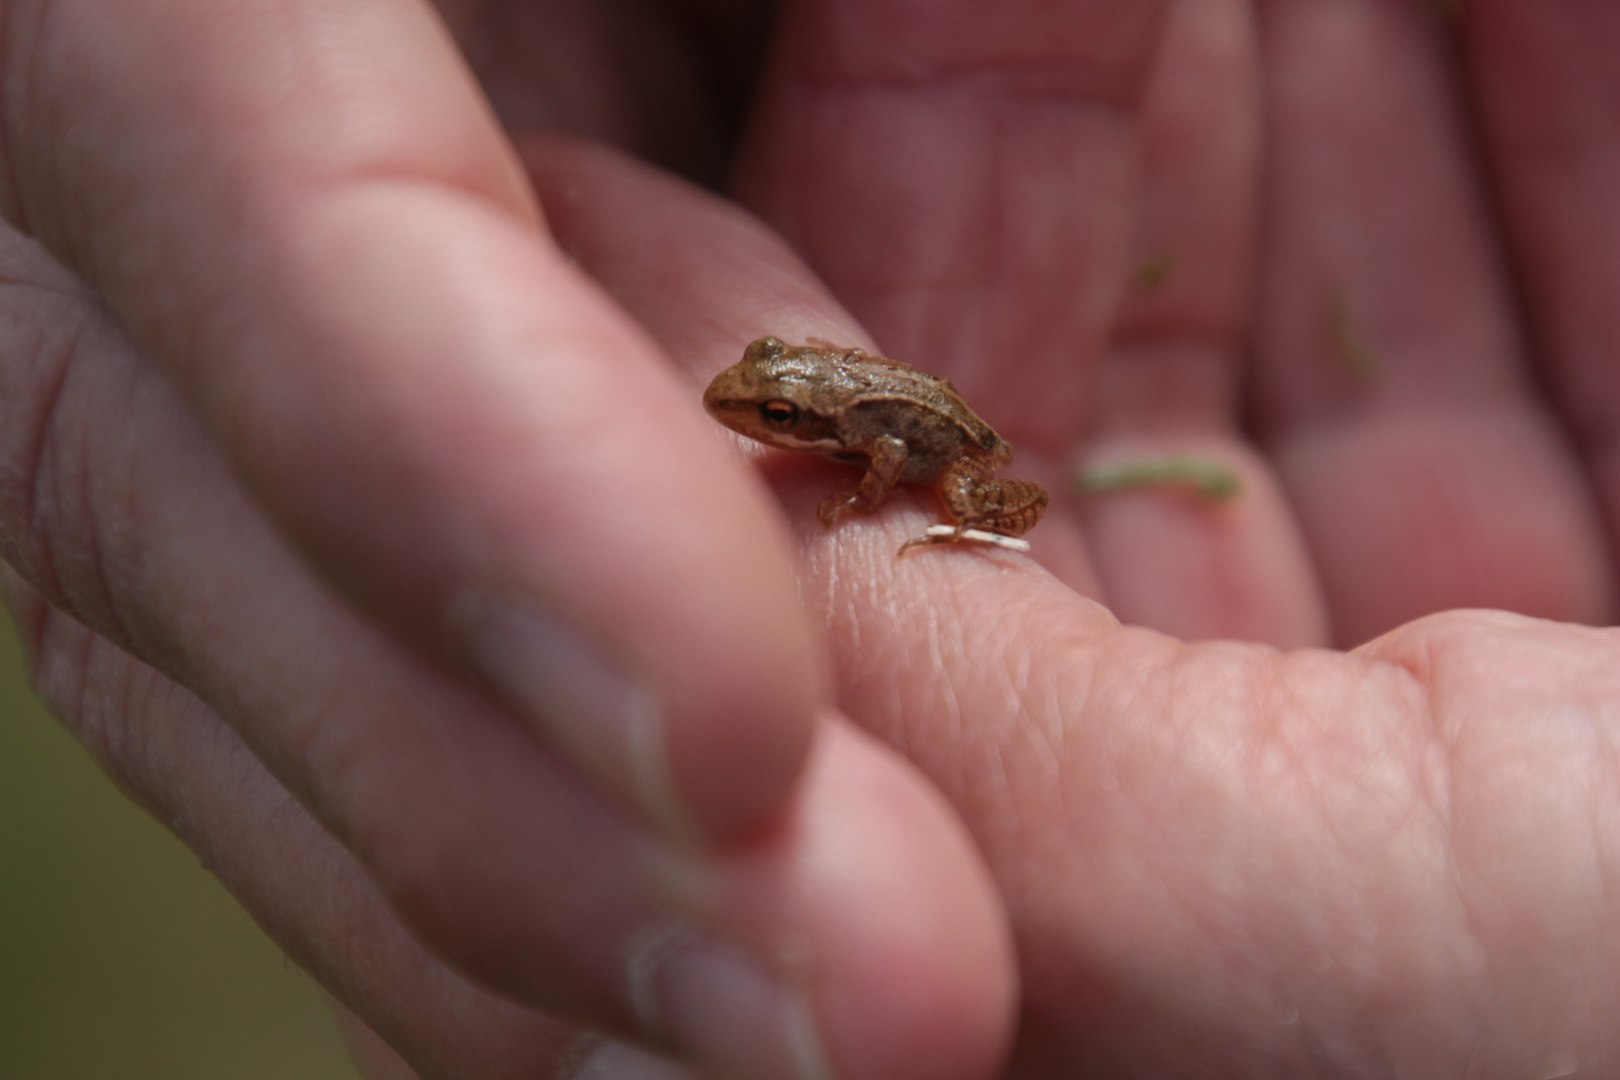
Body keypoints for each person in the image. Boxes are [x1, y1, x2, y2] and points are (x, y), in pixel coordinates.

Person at [2, 0, 1617, 1076]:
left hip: (968, 450)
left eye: (766, 415)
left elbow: (916, 453)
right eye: (775, 415)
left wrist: (902, 520)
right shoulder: (809, 401)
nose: (757, 423)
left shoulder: (867, 442)